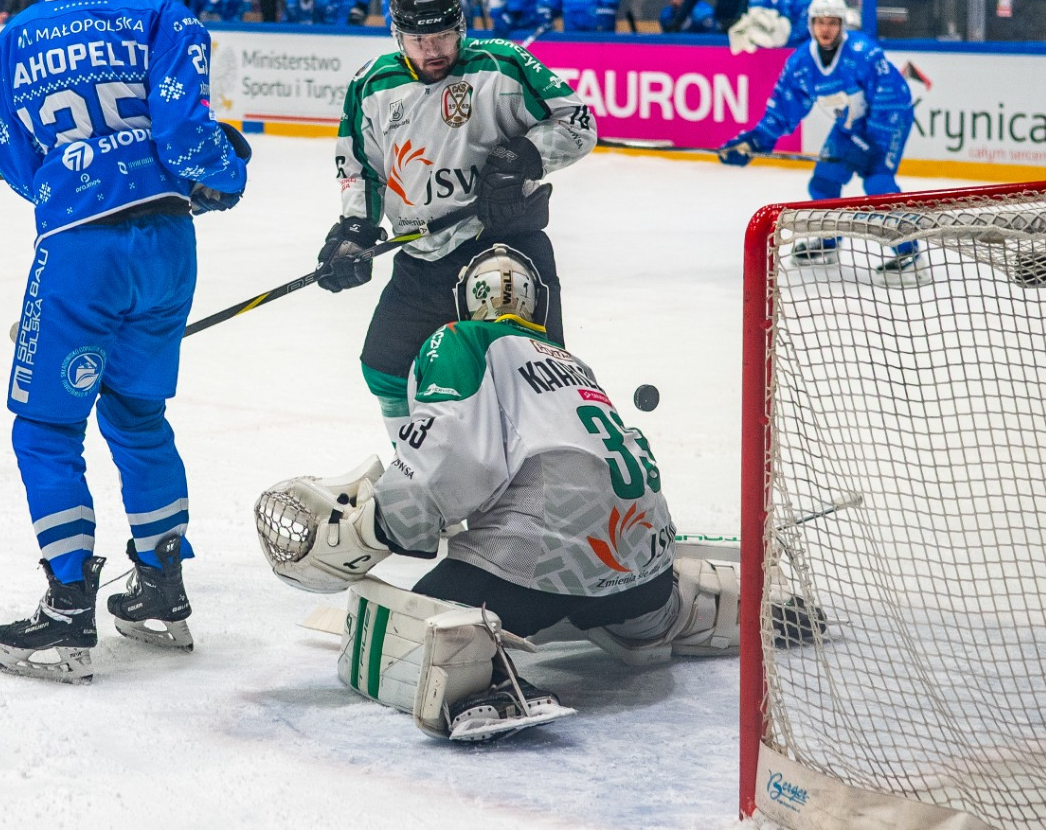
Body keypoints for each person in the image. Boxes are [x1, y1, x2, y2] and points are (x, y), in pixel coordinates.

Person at [255, 244, 745, 741]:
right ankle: (697, 608)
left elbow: (448, 456)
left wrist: (376, 525)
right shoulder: (572, 360)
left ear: (465, 300)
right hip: (645, 570)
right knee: (625, 593)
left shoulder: (459, 339)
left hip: (539, 567)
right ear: (539, 303)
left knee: (409, 633)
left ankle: (487, 684)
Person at [0, 0, 250, 684]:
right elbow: (182, 137)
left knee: (44, 427)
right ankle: (161, 589)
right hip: (168, 247)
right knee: (137, 413)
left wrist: (64, 185)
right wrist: (224, 170)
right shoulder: (166, 21)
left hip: (81, 251)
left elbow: (10, 153)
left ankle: (69, 612)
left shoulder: (19, 32)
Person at [318, 0, 594, 441]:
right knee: (385, 367)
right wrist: (354, 229)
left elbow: (578, 120)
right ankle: (421, 474)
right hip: (421, 256)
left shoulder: (501, 66)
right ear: (397, 35)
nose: (433, 49)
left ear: (461, 27)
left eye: (443, 35)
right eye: (419, 38)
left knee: (531, 378)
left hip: (504, 249)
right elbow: (361, 166)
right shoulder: (371, 87)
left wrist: (525, 155)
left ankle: (540, 487)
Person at [718, 0, 919, 273]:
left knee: (878, 183)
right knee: (824, 180)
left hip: (889, 121)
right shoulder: (801, 63)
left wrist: (873, 142)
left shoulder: (863, 53)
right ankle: (828, 241)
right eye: (820, 22)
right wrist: (754, 141)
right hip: (850, 125)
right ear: (811, 24)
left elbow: (893, 97)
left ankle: (908, 252)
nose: (826, 29)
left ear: (842, 25)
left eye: (833, 22)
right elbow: (782, 109)